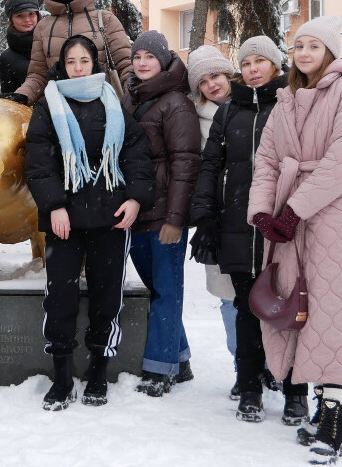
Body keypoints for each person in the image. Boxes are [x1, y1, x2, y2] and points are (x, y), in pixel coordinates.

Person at [248, 15, 342, 465]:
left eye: (313, 46)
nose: (303, 53)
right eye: (297, 45)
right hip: (285, 218)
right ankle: (316, 401)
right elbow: (266, 159)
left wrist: (294, 210)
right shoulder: (285, 99)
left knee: (331, 312)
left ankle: (333, 419)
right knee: (298, 307)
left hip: (331, 215)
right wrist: (263, 211)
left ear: (330, 53)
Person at [25, 35, 156, 410]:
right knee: (60, 296)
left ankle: (99, 369)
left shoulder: (111, 100)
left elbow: (136, 153)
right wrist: (54, 205)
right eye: (71, 62)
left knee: (106, 294)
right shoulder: (49, 104)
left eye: (84, 61)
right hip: (65, 218)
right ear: (62, 66)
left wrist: (134, 198)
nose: (78, 67)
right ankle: (63, 375)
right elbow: (38, 161)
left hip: (110, 217)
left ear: (94, 64)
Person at [189, 35, 305, 424]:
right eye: (247, 61)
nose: (253, 68)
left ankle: (294, 392)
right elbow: (210, 167)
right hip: (237, 224)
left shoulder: (291, 104)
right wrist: (205, 218)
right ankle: (250, 387)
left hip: (283, 226)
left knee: (291, 310)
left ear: (274, 65)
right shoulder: (229, 112)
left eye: (261, 61)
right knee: (246, 309)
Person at [123, 31, 201, 398]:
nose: (141, 62)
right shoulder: (133, 98)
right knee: (159, 290)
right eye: (137, 56)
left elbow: (185, 165)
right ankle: (179, 358)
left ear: (163, 61)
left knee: (166, 293)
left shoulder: (176, 104)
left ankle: (160, 369)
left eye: (149, 57)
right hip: (138, 213)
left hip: (164, 216)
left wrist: (175, 218)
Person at [187, 44, 240, 400]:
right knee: (229, 298)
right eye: (203, 81)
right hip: (219, 219)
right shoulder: (195, 118)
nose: (212, 85)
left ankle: (270, 366)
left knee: (262, 296)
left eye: (216, 76)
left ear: (229, 75)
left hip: (253, 216)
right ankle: (243, 366)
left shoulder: (255, 105)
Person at [5, 0, 133, 105]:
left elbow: (125, 64)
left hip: (102, 108)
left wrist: (133, 97)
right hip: (59, 110)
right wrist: (22, 96)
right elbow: (38, 76)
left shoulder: (105, 20)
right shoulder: (43, 27)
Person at [0, 0, 40, 94]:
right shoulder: (7, 58)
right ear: (12, 20)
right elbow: (9, 98)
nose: (27, 20)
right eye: (20, 16)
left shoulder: (52, 42)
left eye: (31, 14)